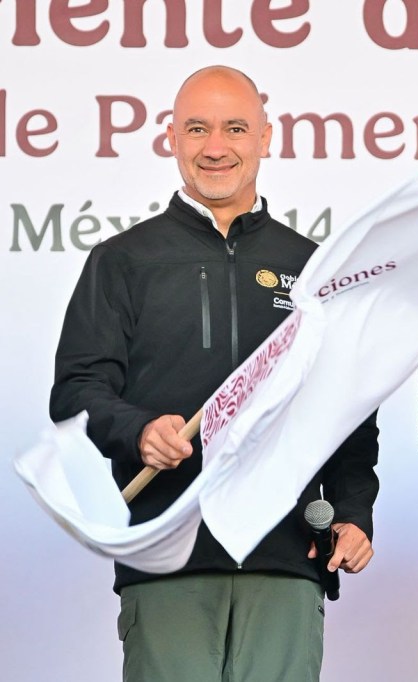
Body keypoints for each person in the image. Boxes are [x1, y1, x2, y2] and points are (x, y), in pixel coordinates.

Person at [49, 66, 379, 682]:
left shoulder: (311, 269)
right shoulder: (121, 261)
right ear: (172, 137)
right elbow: (76, 393)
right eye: (197, 128)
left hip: (285, 555)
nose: (216, 146)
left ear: (265, 137)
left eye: (234, 128)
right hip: (167, 554)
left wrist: (354, 510)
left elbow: (349, 415)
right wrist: (138, 430)